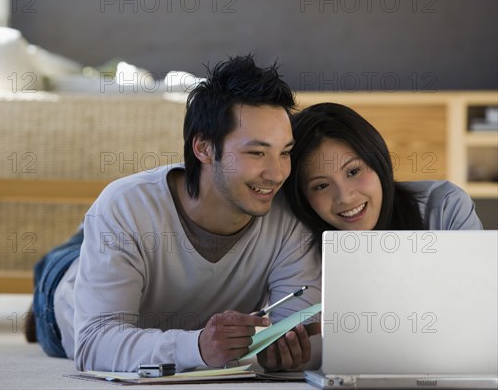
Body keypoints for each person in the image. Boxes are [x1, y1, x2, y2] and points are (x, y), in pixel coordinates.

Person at [31, 55, 322, 373]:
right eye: (256, 152)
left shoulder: (290, 223)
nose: (277, 174)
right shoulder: (126, 205)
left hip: (131, 248)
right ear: (204, 148)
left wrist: (287, 350)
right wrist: (197, 347)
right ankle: (72, 256)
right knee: (60, 267)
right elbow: (94, 342)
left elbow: (299, 334)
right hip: (66, 298)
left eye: (285, 152)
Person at [284, 102, 483, 251]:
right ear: (302, 196)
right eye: (321, 186)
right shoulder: (295, 242)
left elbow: (480, 294)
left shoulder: (444, 207)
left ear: (378, 161)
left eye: (353, 172)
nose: (345, 197)